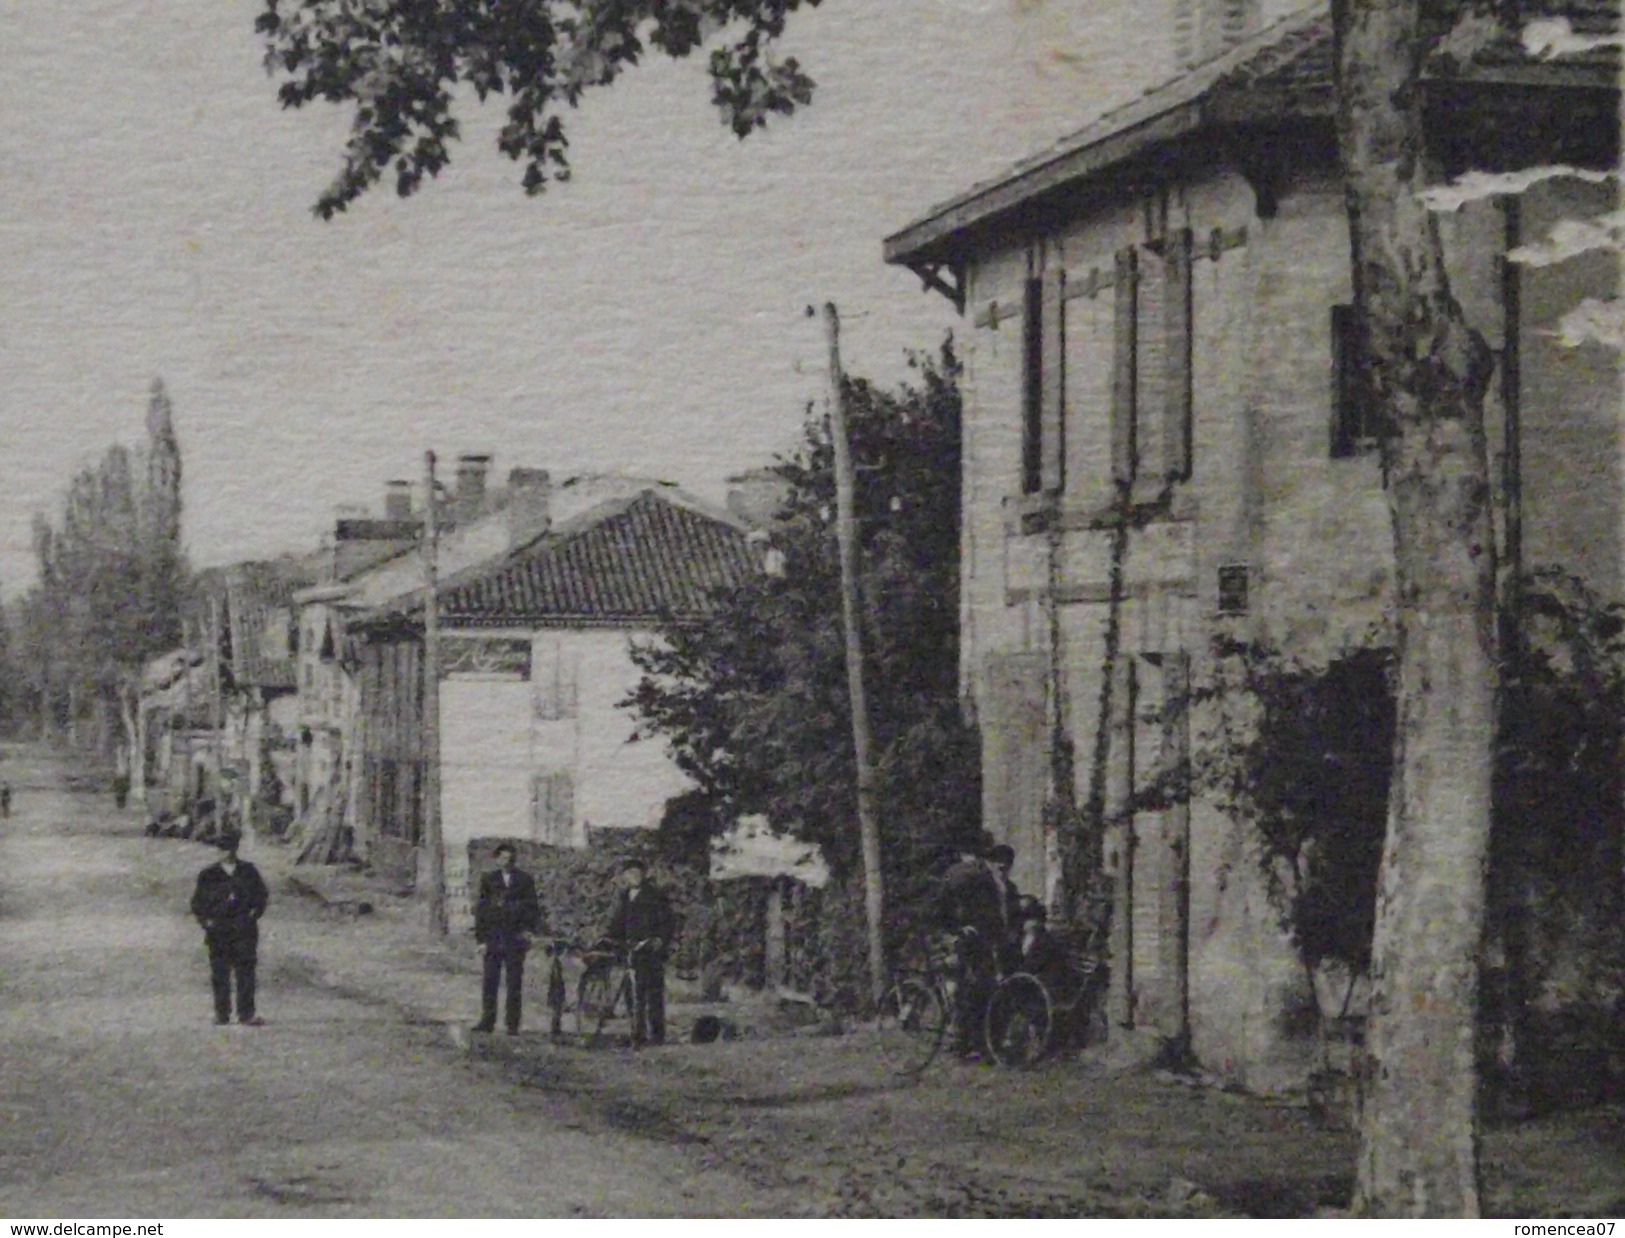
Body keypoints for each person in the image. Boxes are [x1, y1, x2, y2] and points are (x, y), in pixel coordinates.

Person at [190, 830, 269, 1026]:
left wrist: (254, 914)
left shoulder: (248, 871)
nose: (225, 853)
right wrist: (206, 922)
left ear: (235, 849)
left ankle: (246, 1013)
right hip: (219, 930)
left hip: (244, 929)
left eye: (229, 848)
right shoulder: (209, 875)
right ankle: (222, 1013)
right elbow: (198, 902)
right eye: (221, 849)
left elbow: (261, 896)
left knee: (246, 972)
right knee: (220, 974)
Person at [472, 842, 543, 1036]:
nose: (507, 861)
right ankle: (487, 1021)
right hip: (493, 938)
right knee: (490, 981)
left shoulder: (524, 880)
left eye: (510, 858)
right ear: (496, 859)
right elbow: (482, 911)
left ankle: (512, 1024)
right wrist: (481, 940)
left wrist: (529, 931)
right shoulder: (488, 880)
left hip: (515, 938)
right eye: (503, 858)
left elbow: (532, 908)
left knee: (514, 982)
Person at [605, 858, 674, 1048]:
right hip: (631, 950)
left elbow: (668, 922)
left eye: (637, 873)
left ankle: (657, 1035)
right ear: (625, 877)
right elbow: (615, 923)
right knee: (633, 994)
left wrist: (659, 940)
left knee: (652, 994)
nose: (634, 877)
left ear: (644, 875)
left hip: (650, 950)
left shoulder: (656, 896)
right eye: (629, 873)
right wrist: (611, 939)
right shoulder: (623, 896)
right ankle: (637, 1033)